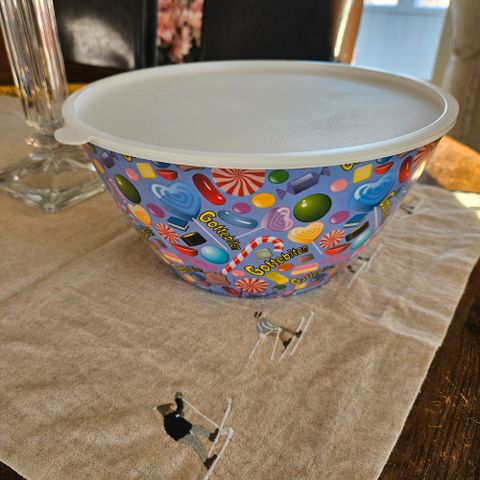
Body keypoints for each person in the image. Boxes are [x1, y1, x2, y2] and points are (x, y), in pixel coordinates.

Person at [156, 392, 219, 470]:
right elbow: (179, 409)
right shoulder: (170, 418)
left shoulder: (171, 416)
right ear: (167, 412)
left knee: (199, 428)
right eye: (170, 408)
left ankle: (211, 436)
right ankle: (207, 461)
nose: (172, 408)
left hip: (187, 429)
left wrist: (179, 415)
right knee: (196, 443)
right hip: (182, 435)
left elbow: (178, 414)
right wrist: (178, 399)